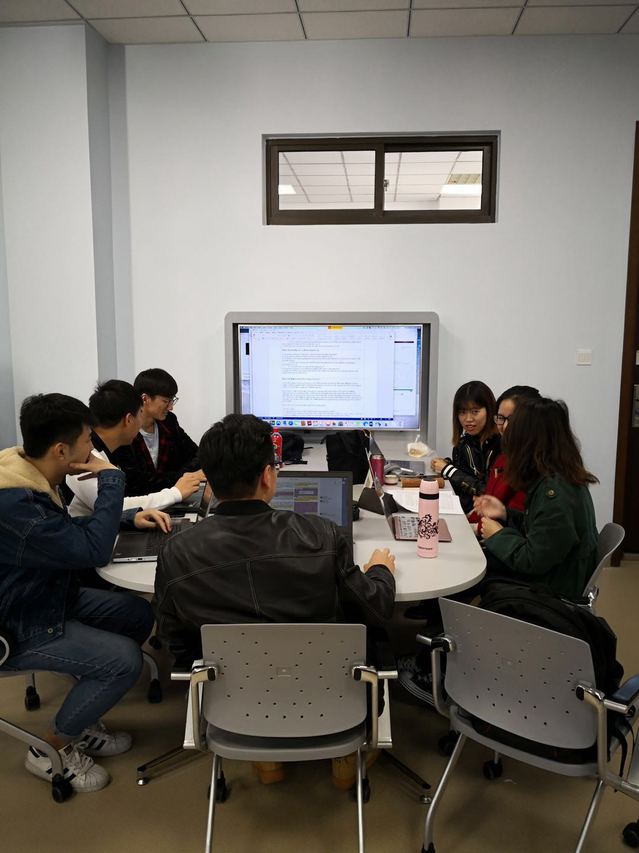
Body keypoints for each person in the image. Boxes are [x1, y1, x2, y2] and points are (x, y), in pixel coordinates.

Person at [154, 413, 396, 786]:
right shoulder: (322, 535)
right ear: (268, 476)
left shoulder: (176, 551)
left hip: (232, 702)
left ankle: (266, 759)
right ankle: (345, 758)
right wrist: (381, 571)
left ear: (210, 482)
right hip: (332, 700)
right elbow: (374, 609)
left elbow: (174, 639)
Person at [0, 393, 168, 792]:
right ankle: (50, 749)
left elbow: (60, 534)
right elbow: (91, 551)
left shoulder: (26, 472)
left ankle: (83, 717)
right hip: (18, 622)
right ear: (61, 450)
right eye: (87, 440)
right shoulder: (16, 504)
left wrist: (129, 517)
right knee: (124, 662)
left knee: (137, 615)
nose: (92, 449)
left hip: (45, 595)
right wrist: (111, 477)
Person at [475, 396, 599, 599]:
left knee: (474, 565)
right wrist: (505, 513)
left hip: (553, 588)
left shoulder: (555, 493)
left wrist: (497, 534)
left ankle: (442, 615)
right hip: (556, 574)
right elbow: (543, 530)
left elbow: (532, 560)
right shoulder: (558, 477)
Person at [66, 379, 202, 517]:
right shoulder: (85, 456)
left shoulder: (107, 449)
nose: (142, 422)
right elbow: (115, 506)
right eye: (140, 413)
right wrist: (176, 493)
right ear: (129, 419)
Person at [111, 368, 203, 496]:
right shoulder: (126, 430)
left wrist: (180, 476)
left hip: (174, 498)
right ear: (145, 399)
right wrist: (183, 477)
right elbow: (136, 481)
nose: (171, 407)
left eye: (172, 400)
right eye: (166, 401)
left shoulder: (169, 422)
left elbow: (198, 455)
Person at [467, 385, 541, 529]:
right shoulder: (505, 456)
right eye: (501, 418)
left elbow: (520, 525)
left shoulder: (535, 465)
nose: (505, 426)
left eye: (512, 419)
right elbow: (489, 507)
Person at [431, 380, 501, 513]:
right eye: (462, 412)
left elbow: (486, 490)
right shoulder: (464, 443)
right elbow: (466, 476)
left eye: (475, 411)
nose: (468, 419)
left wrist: (448, 470)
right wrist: (448, 465)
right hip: (462, 511)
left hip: (482, 516)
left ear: (490, 410)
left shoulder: (500, 445)